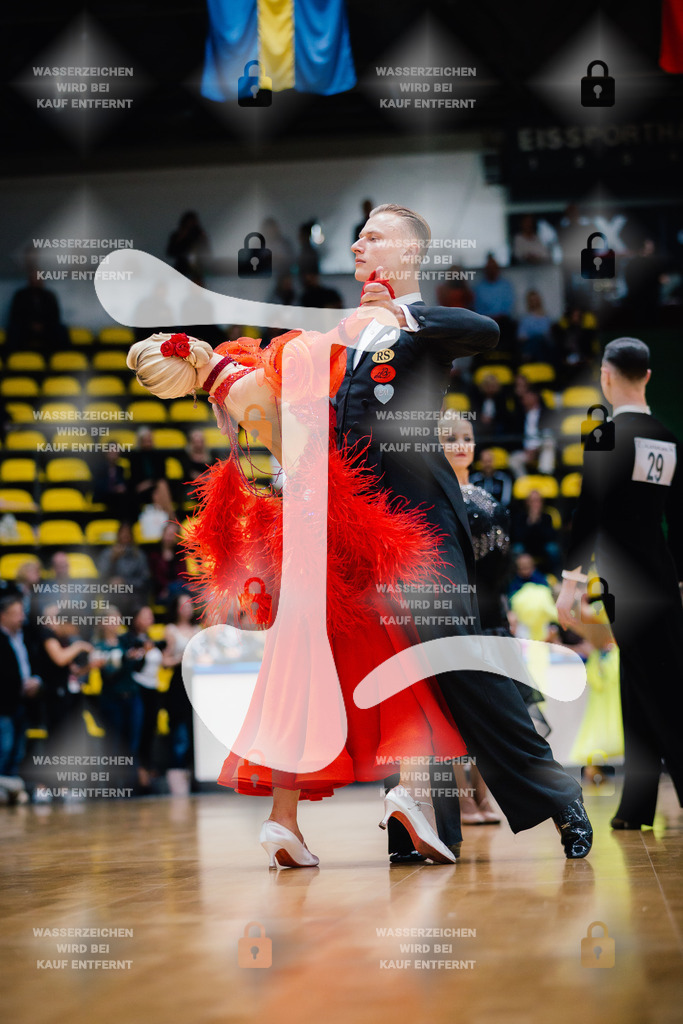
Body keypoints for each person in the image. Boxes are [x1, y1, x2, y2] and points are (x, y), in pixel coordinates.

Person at [126, 323, 466, 866]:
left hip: (301, 528)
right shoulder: (246, 384)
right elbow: (315, 391)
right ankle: (409, 792)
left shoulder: (227, 390)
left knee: (304, 668)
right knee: (389, 652)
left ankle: (284, 821)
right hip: (329, 518)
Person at [341, 202, 591, 859]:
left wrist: (399, 313)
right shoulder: (352, 339)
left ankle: (557, 793)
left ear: (409, 254)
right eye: (358, 237)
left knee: (456, 661)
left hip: (422, 530)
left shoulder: (421, 324)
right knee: (404, 679)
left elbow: (485, 329)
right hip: (368, 539)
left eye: (374, 236)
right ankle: (427, 828)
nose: (359, 244)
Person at [556, 337, 683, 830]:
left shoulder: (605, 436)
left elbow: (590, 512)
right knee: (642, 682)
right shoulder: (668, 436)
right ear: (648, 376)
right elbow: (678, 516)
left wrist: (570, 580)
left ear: (606, 376)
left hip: (623, 582)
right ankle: (636, 806)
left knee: (661, 689)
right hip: (662, 573)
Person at [0, 594, 41, 783]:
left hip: (22, 703)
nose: (21, 617)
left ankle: (10, 794)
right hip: (3, 706)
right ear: (3, 616)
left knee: (17, 751)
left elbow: (35, 665)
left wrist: (36, 681)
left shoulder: (25, 638)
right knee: (4, 749)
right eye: (16, 613)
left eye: (21, 613)